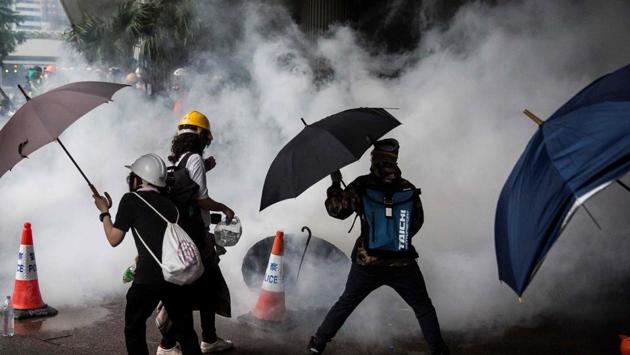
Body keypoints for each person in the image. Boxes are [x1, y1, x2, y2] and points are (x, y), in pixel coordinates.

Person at [307, 139, 449, 355]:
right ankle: (439, 351)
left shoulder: (362, 185)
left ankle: (317, 344)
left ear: (374, 159)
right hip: (402, 263)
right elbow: (417, 222)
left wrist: (335, 185)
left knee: (346, 303)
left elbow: (337, 211)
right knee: (423, 307)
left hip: (367, 262)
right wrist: (394, 238)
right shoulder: (407, 188)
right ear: (395, 160)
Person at [93, 154, 202, 355]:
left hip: (147, 278)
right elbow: (160, 237)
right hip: (175, 276)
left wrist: (104, 212)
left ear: (140, 178)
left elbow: (113, 239)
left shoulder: (130, 199)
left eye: (132, 175)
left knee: (134, 326)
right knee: (186, 331)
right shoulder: (171, 204)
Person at [158, 110, 235, 354]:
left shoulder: (177, 160)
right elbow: (201, 199)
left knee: (203, 287)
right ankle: (168, 344)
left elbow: (187, 190)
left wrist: (205, 167)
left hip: (183, 233)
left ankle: (208, 339)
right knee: (195, 288)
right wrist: (224, 208)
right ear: (202, 136)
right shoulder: (194, 160)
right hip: (197, 235)